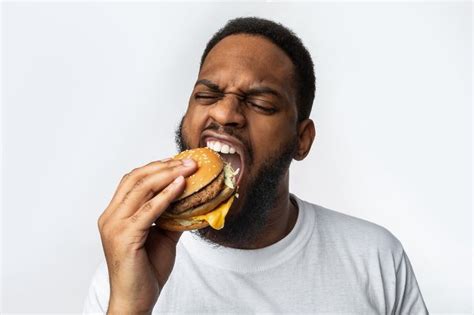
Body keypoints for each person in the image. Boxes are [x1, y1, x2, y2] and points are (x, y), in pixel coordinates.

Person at [84, 17, 428, 314]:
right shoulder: (128, 271)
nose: (223, 113)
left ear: (301, 140)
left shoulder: (375, 258)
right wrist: (132, 308)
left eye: (261, 102)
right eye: (206, 95)